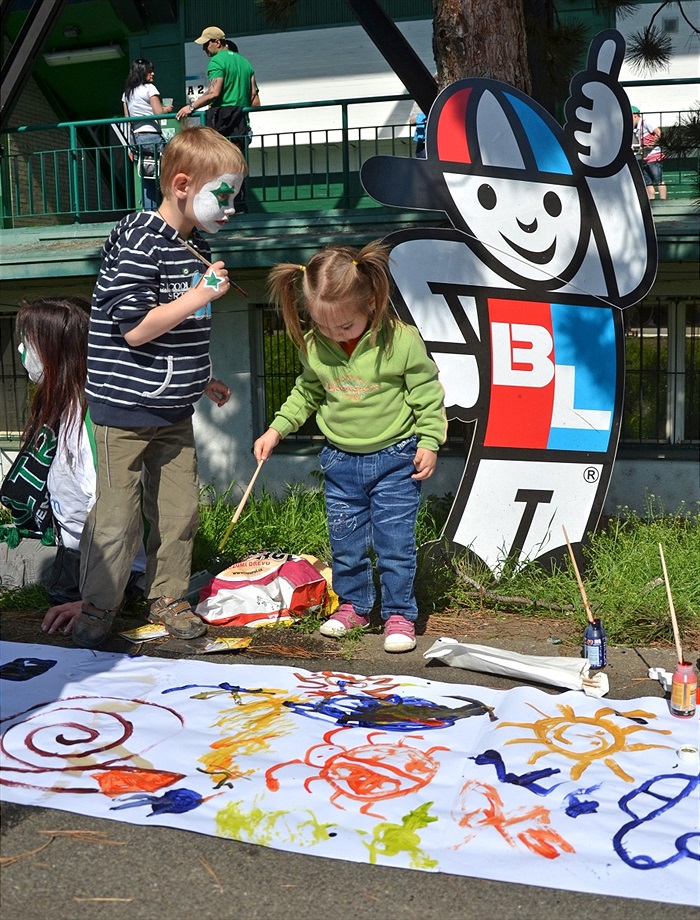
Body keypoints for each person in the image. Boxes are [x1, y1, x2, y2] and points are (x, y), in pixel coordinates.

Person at [72, 127, 247, 649]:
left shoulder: (197, 246)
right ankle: (98, 606)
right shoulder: (140, 241)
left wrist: (203, 376)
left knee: (178, 511)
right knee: (118, 517)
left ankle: (168, 597)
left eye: (234, 197)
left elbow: (184, 330)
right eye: (223, 196)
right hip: (124, 408)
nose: (231, 208)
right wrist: (198, 296)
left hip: (173, 409)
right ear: (182, 185)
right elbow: (136, 330)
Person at [253, 243, 447, 653]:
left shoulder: (400, 342)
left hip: (396, 459)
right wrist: (276, 429)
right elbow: (306, 392)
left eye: (344, 325)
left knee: (395, 543)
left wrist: (430, 441)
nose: (335, 334)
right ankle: (355, 606)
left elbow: (427, 394)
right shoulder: (313, 344)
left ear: (372, 303)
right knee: (346, 542)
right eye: (323, 326)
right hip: (340, 461)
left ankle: (399, 613)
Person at [0, 296, 146, 636]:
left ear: (57, 350)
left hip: (107, 571)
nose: (22, 351)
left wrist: (97, 600)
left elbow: (119, 514)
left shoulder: (94, 419)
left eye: (29, 342)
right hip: (71, 554)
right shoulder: (64, 404)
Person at [177, 27, 259, 212]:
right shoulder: (245, 63)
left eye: (206, 44)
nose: (204, 49)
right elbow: (254, 94)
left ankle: (219, 207)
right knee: (238, 165)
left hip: (222, 122)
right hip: (241, 122)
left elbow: (214, 92)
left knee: (217, 166)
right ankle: (240, 205)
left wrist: (191, 107)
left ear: (217, 42)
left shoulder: (217, 61)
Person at [122, 58, 175, 211]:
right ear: (142, 72)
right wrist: (167, 108)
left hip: (136, 137)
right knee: (170, 171)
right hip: (153, 135)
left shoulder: (127, 93)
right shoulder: (150, 88)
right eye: (149, 71)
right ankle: (171, 210)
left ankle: (149, 211)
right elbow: (158, 112)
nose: (153, 74)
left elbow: (127, 118)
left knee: (147, 176)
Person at [632, 106, 666, 200]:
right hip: (646, 157)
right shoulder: (636, 129)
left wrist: (652, 144)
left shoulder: (646, 123)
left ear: (635, 115)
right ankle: (651, 200)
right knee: (648, 182)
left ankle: (663, 200)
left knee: (659, 179)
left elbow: (658, 132)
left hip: (654, 155)